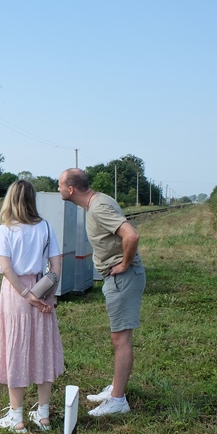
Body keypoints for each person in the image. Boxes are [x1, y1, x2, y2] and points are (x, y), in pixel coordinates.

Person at [58, 168, 146, 416]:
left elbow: (131, 236)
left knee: (121, 339)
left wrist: (124, 264)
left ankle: (118, 401)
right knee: (119, 338)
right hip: (118, 279)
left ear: (71, 189)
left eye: (59, 185)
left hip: (123, 278)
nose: (58, 189)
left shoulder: (98, 208)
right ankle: (116, 389)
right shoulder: (98, 202)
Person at [0, 180, 65, 432]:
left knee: (16, 349)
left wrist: (25, 294)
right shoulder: (46, 227)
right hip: (42, 288)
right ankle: (43, 415)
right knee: (43, 349)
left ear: (10, 199)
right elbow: (56, 265)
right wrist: (49, 296)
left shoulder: (5, 230)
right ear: (33, 199)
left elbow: (6, 268)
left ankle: (17, 417)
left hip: (15, 293)